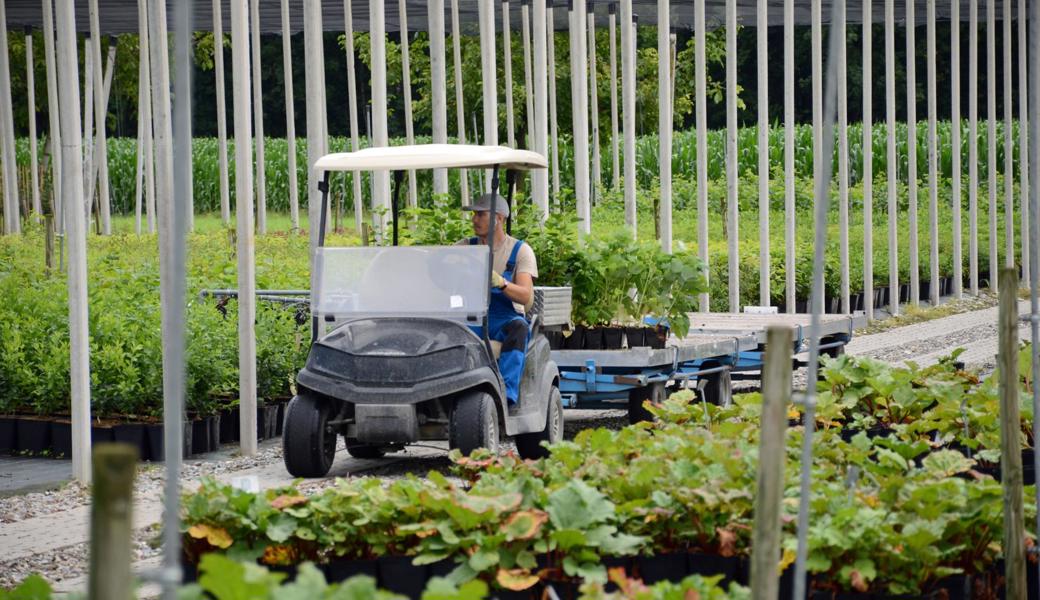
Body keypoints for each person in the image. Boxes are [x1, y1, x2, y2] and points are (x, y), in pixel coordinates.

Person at [458, 193, 538, 406]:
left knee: (519, 328)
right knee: (442, 332)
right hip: (471, 315)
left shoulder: (520, 251)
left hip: (503, 318)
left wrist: (501, 282)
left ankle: (505, 394)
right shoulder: (465, 247)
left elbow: (525, 295)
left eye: (481, 214)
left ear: (499, 218)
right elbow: (440, 269)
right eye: (474, 214)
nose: (474, 220)